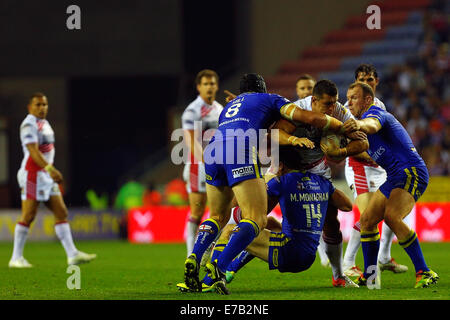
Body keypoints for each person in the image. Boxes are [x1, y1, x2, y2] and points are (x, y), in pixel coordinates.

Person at [182, 73, 354, 294]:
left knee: (217, 216)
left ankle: (194, 257)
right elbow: (309, 118)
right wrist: (341, 128)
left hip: (214, 151)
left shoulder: (230, 106)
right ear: (262, 89)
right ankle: (219, 268)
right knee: (256, 218)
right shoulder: (271, 99)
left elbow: (252, 116)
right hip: (240, 151)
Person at [178, 146, 358, 293]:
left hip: (289, 252)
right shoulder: (323, 183)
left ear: (281, 165)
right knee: (270, 224)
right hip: (308, 256)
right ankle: (231, 269)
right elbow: (347, 206)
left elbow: (243, 210)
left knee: (235, 229)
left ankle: (212, 279)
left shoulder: (281, 181)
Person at [263, 79, 369, 287]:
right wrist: (294, 140)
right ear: (313, 100)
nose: (332, 108)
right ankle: (225, 252)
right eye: (327, 104)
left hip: (317, 169)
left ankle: (338, 276)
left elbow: (363, 142)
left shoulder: (339, 113)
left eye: (334, 103)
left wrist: (342, 151)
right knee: (258, 212)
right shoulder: (298, 110)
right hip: (287, 167)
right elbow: (275, 134)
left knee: (332, 219)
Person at [343, 82, 439, 288]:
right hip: (394, 177)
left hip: (411, 171)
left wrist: (358, 125)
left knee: (392, 216)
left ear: (367, 99)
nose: (349, 102)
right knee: (367, 219)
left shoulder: (376, 115)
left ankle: (425, 272)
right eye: (348, 97)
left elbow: (372, 125)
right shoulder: (363, 131)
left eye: (354, 97)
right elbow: (360, 151)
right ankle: (369, 276)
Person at [10, 92, 96, 268]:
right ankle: (16, 258)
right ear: (30, 107)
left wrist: (48, 171)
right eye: (38, 105)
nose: (42, 108)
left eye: (44, 105)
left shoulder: (45, 123)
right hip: (33, 174)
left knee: (61, 212)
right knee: (28, 215)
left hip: (45, 176)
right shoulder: (29, 124)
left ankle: (72, 254)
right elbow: (33, 152)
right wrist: (50, 169)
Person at [342, 64, 408, 277]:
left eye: (369, 79)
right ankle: (348, 262)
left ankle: (384, 257)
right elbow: (350, 147)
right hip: (359, 167)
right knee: (369, 214)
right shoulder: (348, 108)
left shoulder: (378, 105)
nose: (365, 83)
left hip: (378, 167)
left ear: (376, 82)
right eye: (361, 79)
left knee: (392, 209)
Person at [181, 69, 223, 257]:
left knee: (219, 213)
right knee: (197, 213)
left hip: (218, 165)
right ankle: (191, 255)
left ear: (217, 86)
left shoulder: (220, 109)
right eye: (206, 84)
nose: (209, 87)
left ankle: (207, 252)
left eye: (212, 83)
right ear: (199, 87)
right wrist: (206, 162)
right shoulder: (192, 110)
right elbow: (191, 141)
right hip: (198, 166)